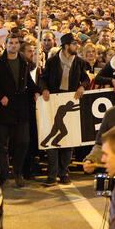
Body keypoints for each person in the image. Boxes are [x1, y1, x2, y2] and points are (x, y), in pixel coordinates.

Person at [0, 32, 38, 187]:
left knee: (23, 142)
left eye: (15, 43)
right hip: (4, 109)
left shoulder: (24, 62)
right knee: (0, 144)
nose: (13, 45)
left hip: (21, 108)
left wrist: (37, 91)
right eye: (11, 43)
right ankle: (4, 173)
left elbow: (29, 81)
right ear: (6, 45)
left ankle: (18, 171)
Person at [39, 32, 92, 184]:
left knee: (68, 141)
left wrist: (82, 86)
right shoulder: (52, 61)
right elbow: (43, 79)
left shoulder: (80, 62)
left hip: (71, 100)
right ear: (66, 46)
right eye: (75, 44)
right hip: (54, 101)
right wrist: (44, 89)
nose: (78, 46)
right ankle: (52, 174)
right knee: (52, 142)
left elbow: (86, 79)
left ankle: (63, 173)